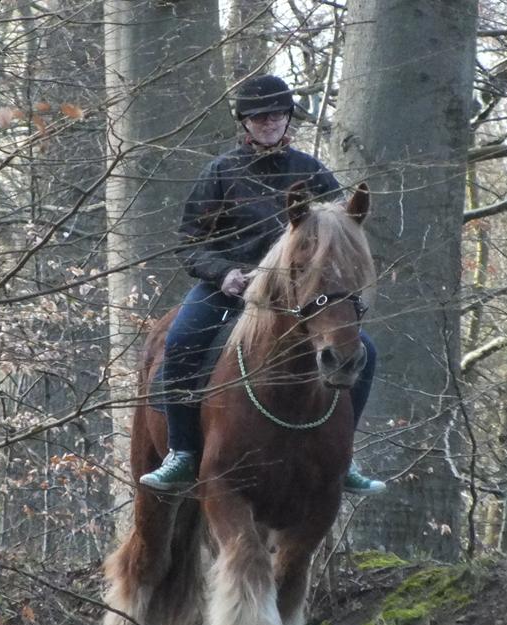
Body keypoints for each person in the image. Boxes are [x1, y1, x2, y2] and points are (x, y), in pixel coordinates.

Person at [138, 74, 385, 496]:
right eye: (259, 117)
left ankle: (344, 456)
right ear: (245, 123)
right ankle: (181, 452)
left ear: (287, 119)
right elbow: (190, 242)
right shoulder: (219, 172)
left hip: (296, 296)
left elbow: (338, 231)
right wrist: (225, 274)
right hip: (228, 289)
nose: (269, 123)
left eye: (276, 116)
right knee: (180, 340)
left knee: (364, 351)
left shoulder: (312, 173)